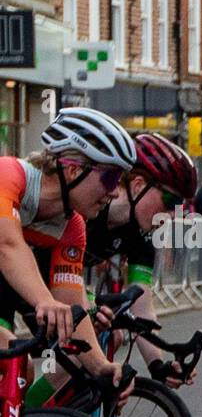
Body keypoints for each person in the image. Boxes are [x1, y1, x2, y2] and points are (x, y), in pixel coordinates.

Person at [0, 107, 136, 394]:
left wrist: (101, 365)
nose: (114, 192)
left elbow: (72, 300)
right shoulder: (8, 175)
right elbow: (8, 246)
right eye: (111, 178)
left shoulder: (72, 227)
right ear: (74, 169)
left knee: (19, 367)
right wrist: (43, 301)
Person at [85, 133, 200, 389]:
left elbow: (142, 306)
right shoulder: (88, 208)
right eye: (170, 201)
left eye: (180, 206)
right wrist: (89, 302)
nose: (172, 214)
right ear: (137, 185)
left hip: (46, 289)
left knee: (99, 344)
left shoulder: (141, 233)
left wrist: (158, 365)